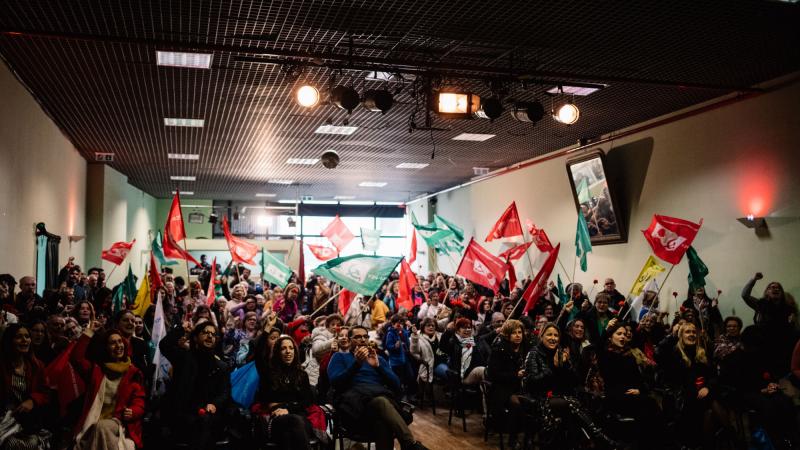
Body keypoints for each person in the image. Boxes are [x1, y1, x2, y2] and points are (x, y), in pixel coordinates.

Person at [327, 326, 427, 450]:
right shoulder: (339, 357)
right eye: (357, 337)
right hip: (354, 409)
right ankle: (410, 444)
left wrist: (379, 367)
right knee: (381, 404)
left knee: (382, 421)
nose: (362, 339)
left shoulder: (378, 359)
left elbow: (397, 387)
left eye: (365, 336)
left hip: (380, 406)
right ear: (349, 340)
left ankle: (410, 444)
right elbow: (336, 383)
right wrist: (356, 364)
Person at [524, 322, 617, 449]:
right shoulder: (533, 353)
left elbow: (575, 381)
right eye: (549, 335)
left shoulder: (561, 352)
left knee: (577, 404)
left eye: (556, 335)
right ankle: (599, 438)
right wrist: (552, 367)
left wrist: (566, 366)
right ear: (541, 336)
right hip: (540, 398)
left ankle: (588, 440)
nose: (553, 338)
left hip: (562, 396)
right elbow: (532, 383)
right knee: (571, 404)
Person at [70, 326, 145, 450]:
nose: (118, 346)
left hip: (119, 422)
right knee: (99, 429)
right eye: (113, 343)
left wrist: (133, 411)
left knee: (102, 427)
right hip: (92, 421)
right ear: (105, 348)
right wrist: (89, 332)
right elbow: (76, 359)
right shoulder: (96, 371)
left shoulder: (133, 373)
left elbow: (140, 401)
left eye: (120, 341)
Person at [159, 322, 231, 450]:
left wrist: (215, 404)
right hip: (184, 413)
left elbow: (225, 392)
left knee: (206, 421)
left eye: (213, 334)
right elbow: (164, 345)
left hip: (208, 413)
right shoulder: (183, 358)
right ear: (195, 337)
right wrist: (181, 329)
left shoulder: (222, 366)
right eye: (205, 332)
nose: (210, 336)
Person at [252, 336, 318, 449]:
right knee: (291, 427)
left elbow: (307, 401)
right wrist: (266, 331)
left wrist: (287, 408)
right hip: (277, 419)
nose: (288, 352)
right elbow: (258, 354)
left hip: (299, 417)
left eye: (291, 348)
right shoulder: (269, 373)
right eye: (283, 348)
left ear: (295, 351)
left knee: (290, 432)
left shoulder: (302, 375)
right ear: (277, 352)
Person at [0, 324, 51, 449]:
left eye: (27, 336)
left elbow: (46, 392)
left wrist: (33, 400)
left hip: (27, 421)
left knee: (33, 443)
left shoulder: (36, 366)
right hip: (3, 418)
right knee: (11, 444)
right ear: (9, 341)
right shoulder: (1, 366)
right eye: (19, 337)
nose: (25, 340)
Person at [486, 319, 529, 447]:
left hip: (521, 386)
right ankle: (513, 437)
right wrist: (515, 375)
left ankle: (529, 436)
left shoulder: (525, 347)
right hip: (502, 389)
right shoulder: (499, 349)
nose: (518, 335)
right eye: (514, 333)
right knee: (517, 404)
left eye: (520, 332)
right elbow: (493, 375)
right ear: (507, 335)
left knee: (534, 401)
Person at [439, 318, 485, 385]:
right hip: (463, 376)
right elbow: (442, 347)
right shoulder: (454, 343)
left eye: (469, 328)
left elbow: (487, 354)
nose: (467, 330)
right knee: (482, 370)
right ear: (457, 330)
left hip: (479, 370)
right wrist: (448, 330)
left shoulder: (475, 340)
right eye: (464, 327)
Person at [409, 318, 444, 384]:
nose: (431, 327)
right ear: (423, 327)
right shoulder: (418, 338)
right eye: (428, 325)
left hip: (445, 360)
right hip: (432, 365)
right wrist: (415, 336)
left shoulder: (440, 335)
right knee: (447, 372)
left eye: (433, 326)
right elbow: (414, 351)